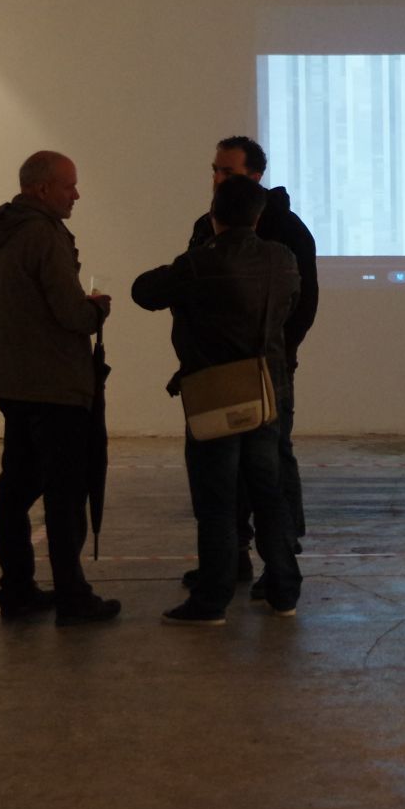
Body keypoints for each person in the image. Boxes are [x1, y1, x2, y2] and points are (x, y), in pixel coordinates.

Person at [0, 151, 122, 626]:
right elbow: (70, 313)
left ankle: (17, 589)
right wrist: (97, 309)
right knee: (65, 494)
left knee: (16, 487)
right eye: (69, 185)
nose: (76, 194)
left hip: (12, 381)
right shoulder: (42, 234)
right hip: (54, 384)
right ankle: (72, 597)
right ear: (43, 189)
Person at [134, 173, 302, 624]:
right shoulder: (283, 258)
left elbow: (143, 291)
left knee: (217, 502)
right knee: (269, 494)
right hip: (266, 390)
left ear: (213, 215)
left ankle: (212, 600)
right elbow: (291, 307)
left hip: (216, 394)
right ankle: (284, 591)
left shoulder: (198, 264)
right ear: (258, 217)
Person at [178, 136, 318, 597]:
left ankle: (280, 564)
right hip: (214, 372)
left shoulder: (288, 232)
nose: (217, 178)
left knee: (272, 465)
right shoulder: (206, 225)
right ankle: (230, 559)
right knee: (225, 470)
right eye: (215, 169)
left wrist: (278, 353)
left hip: (266, 372)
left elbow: (304, 305)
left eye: (228, 172)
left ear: (256, 177)